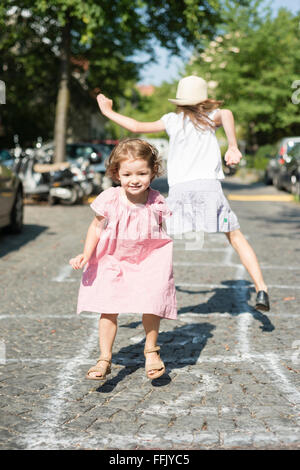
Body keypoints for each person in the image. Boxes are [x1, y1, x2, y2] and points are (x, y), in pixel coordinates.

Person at [96, 75, 270, 312]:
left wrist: (108, 111)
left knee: (153, 238)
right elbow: (227, 113)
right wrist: (232, 145)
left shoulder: (172, 120)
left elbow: (136, 126)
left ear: (179, 100)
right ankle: (261, 288)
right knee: (236, 237)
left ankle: (131, 285)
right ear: (204, 99)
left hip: (181, 193)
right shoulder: (210, 118)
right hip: (210, 190)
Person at [69, 138, 177, 381]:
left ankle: (151, 351)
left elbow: (160, 227)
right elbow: (96, 227)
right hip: (113, 258)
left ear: (153, 172)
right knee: (108, 307)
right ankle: (104, 358)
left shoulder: (156, 200)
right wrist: (86, 253)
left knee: (153, 301)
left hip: (148, 258)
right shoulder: (110, 198)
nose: (135, 179)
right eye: (127, 174)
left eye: (142, 173)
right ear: (116, 173)